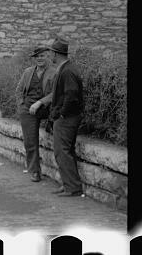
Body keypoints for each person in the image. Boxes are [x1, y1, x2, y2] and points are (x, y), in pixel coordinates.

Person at [47, 37, 84, 197]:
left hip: (67, 118)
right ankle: (69, 184)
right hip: (68, 117)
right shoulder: (67, 68)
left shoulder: (67, 71)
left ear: (56, 54)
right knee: (65, 151)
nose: (50, 56)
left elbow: (71, 95)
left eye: (51, 53)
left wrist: (61, 113)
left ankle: (72, 187)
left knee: (62, 151)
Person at [14, 47, 56, 182]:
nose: (39, 58)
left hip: (45, 108)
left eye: (42, 56)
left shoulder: (54, 72)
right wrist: (21, 105)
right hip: (27, 109)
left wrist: (40, 102)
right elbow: (19, 90)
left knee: (59, 143)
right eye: (37, 56)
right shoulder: (28, 72)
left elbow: (55, 93)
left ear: (48, 56)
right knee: (30, 142)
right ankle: (35, 171)